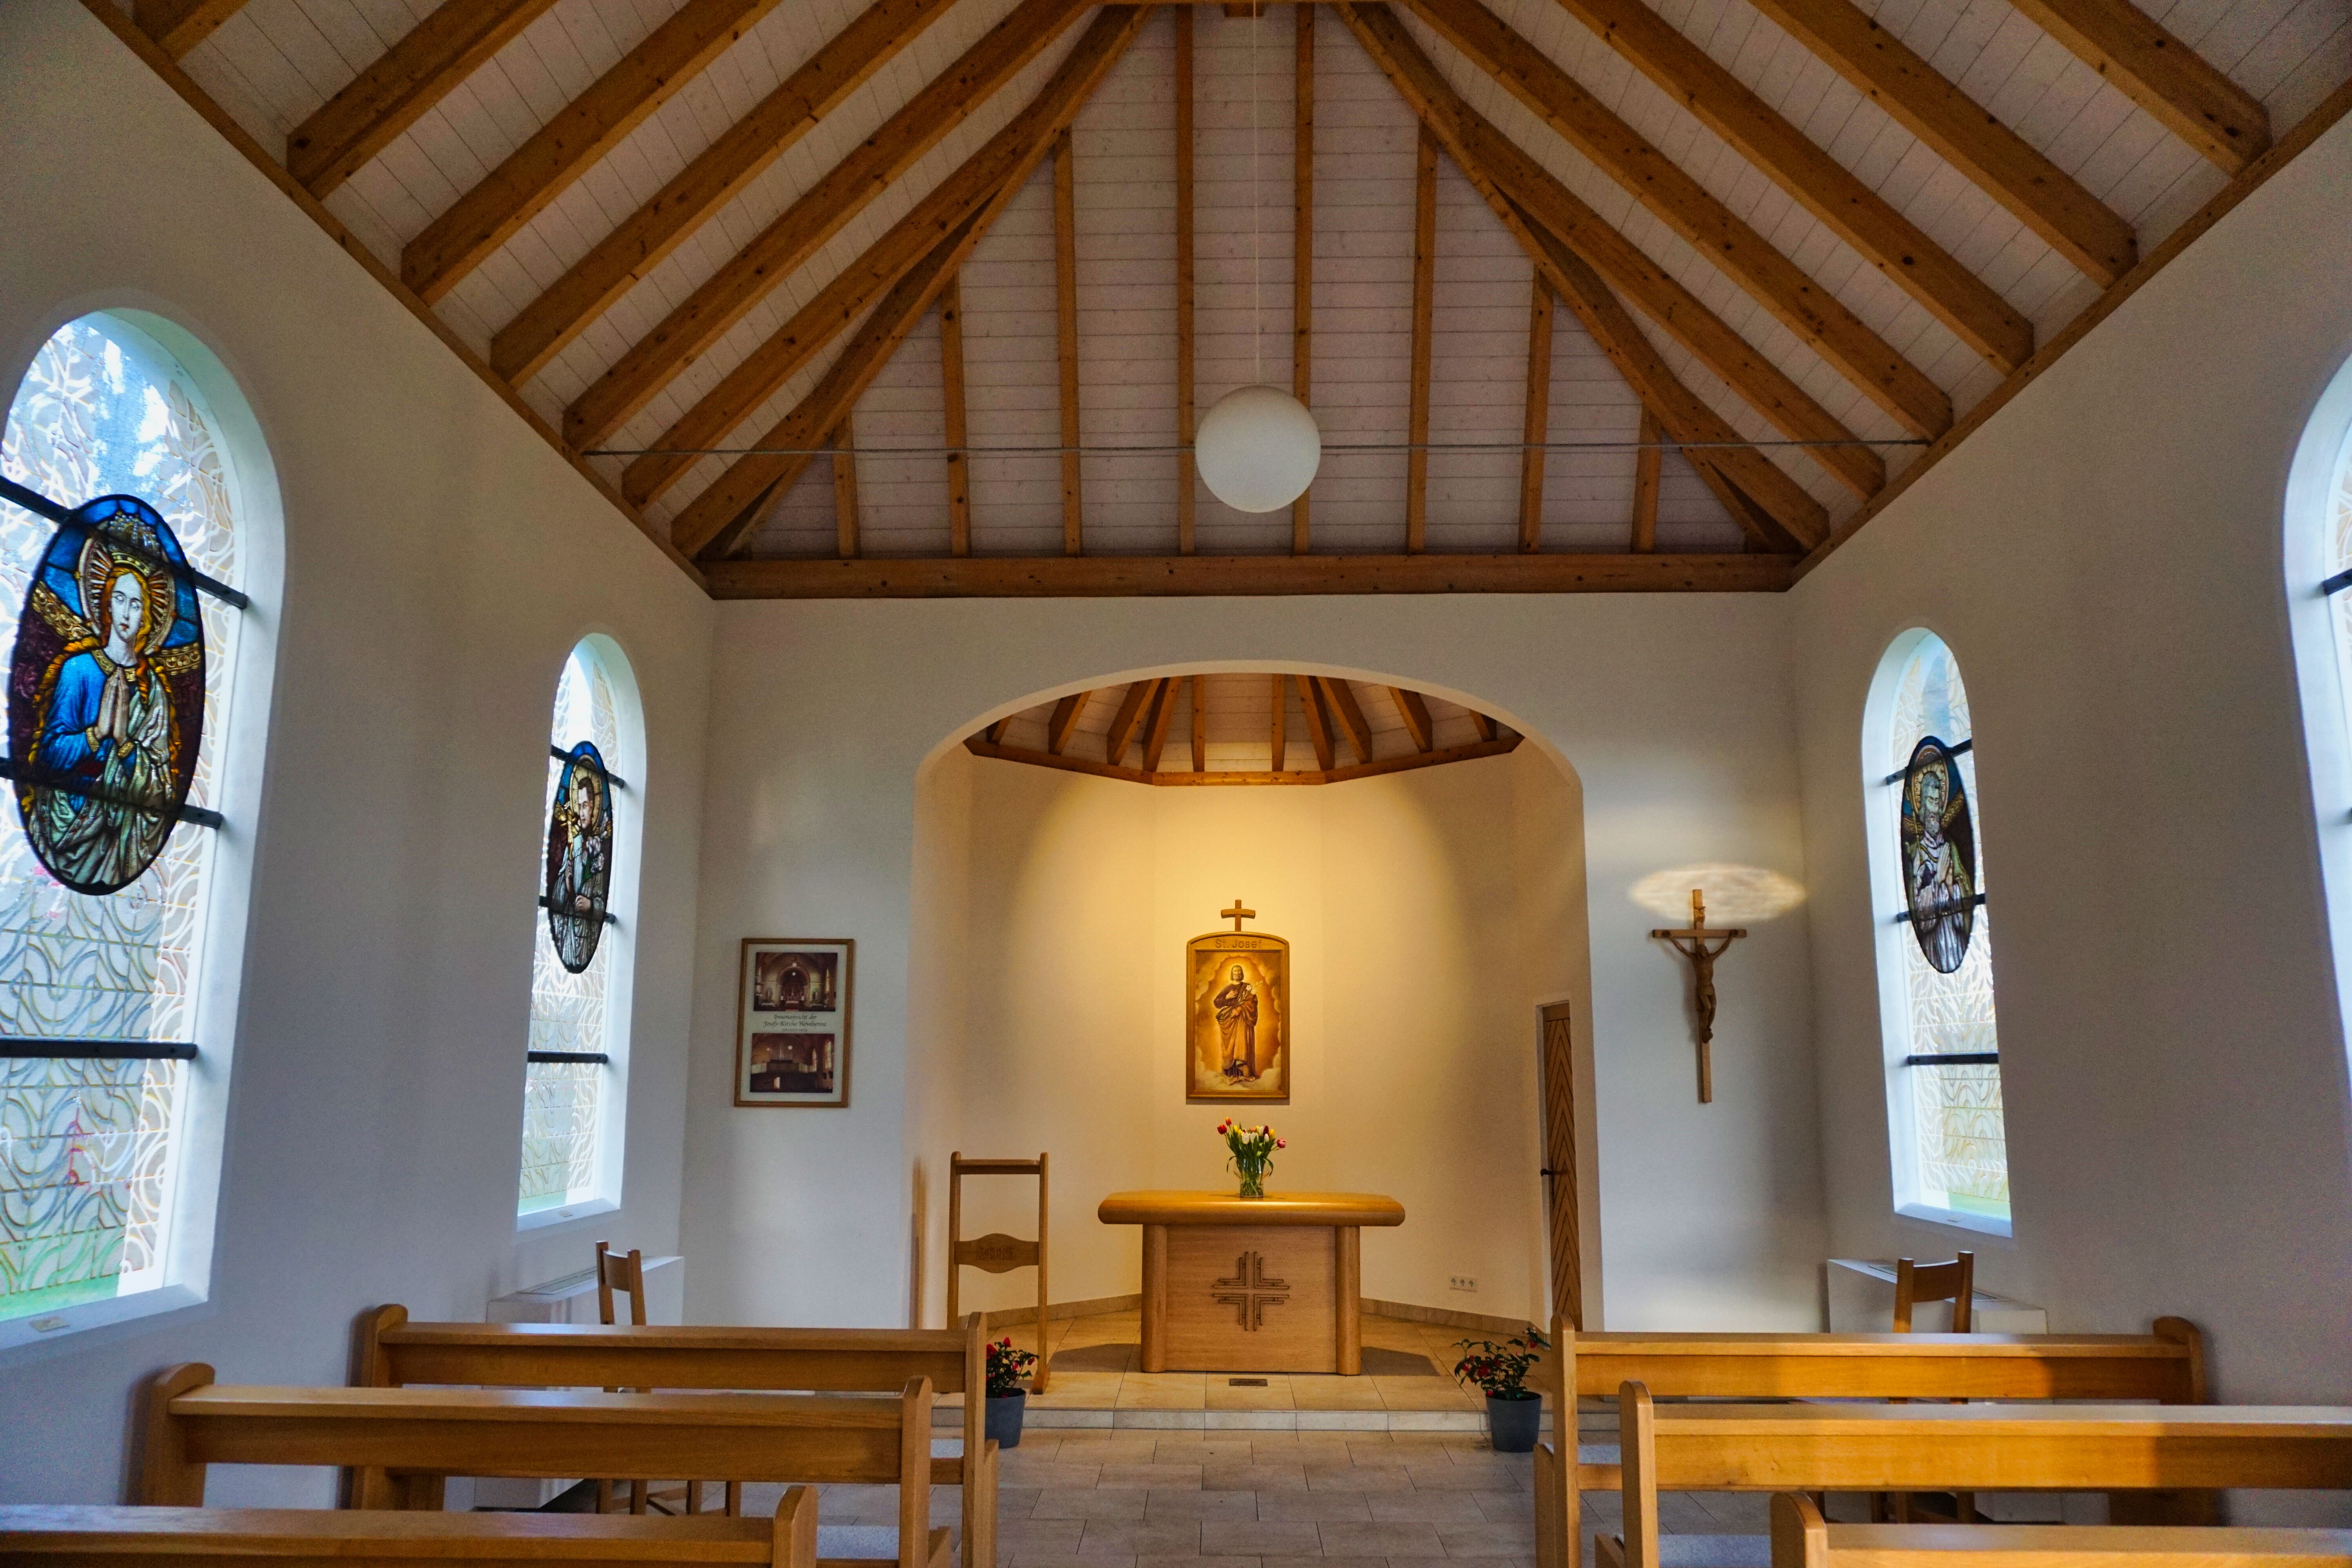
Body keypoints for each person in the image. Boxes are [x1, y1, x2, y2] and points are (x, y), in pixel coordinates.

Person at [27, 547, 180, 893]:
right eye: (120, 599)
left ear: (146, 618)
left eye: (136, 605)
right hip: (67, 815)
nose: (126, 612)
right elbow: (48, 755)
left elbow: (162, 787)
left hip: (120, 835)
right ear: (107, 605)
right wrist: (96, 734)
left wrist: (125, 745)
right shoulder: (78, 670)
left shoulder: (154, 691)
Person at [1213, 964, 1259, 1080]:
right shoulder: (1228, 988)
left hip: (1243, 1021)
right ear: (1232, 974)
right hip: (1230, 1021)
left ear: (1242, 973)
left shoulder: (1248, 987)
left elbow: (1253, 1002)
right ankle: (1232, 1075)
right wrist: (1227, 998)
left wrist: (1240, 1008)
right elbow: (1217, 1003)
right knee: (1231, 1047)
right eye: (1235, 971)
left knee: (1242, 1044)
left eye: (1239, 971)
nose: (1237, 973)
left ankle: (1244, 1074)